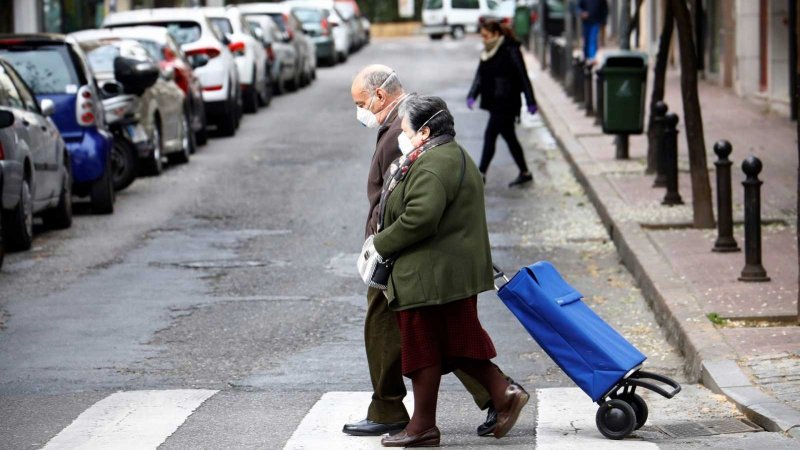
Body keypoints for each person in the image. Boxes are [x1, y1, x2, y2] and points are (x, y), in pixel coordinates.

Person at [346, 65, 509, 438]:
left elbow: (413, 210)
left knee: (426, 338)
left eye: (361, 103)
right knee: (438, 337)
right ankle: (492, 396)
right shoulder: (411, 134)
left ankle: (492, 396)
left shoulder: (412, 143)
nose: (360, 111)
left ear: (380, 97)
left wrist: (379, 243)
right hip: (419, 259)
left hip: (413, 260)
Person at [368, 95, 529, 447]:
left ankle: (423, 426)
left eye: (408, 130)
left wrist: (379, 244)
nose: (404, 136)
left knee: (423, 347)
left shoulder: (433, 163)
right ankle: (503, 395)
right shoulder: (445, 155)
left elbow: (419, 218)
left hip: (431, 275)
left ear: (424, 131)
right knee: (453, 345)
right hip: (445, 271)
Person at [467, 21, 537, 188]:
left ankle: (481, 173)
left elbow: (522, 76)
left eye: (486, 36)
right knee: (510, 138)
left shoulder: (510, 49)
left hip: (507, 101)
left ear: (496, 34)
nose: (483, 39)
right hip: (494, 101)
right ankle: (525, 172)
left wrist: (530, 101)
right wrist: (472, 95)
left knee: (490, 135)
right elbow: (480, 75)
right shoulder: (488, 51)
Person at [578, 0, 609, 64]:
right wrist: (582, 13)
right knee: (586, 39)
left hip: (596, 21)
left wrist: (603, 21)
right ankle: (586, 57)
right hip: (586, 22)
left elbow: (604, 8)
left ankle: (592, 58)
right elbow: (579, 7)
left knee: (592, 39)